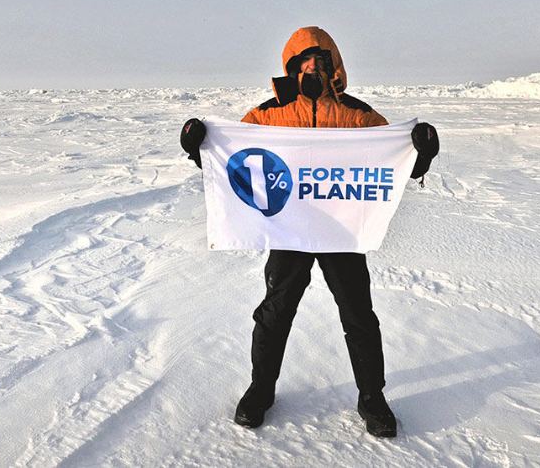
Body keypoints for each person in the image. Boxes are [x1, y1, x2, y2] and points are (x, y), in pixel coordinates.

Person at [180, 27, 439, 438]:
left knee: (358, 315)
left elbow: (393, 166)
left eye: (320, 61)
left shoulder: (358, 116)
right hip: (289, 232)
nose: (312, 68)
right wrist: (199, 147)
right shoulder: (269, 115)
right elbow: (234, 163)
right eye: (304, 61)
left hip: (342, 234)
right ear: (290, 67)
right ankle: (261, 390)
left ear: (334, 65)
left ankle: (372, 396)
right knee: (274, 313)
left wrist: (420, 154)